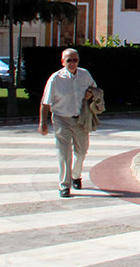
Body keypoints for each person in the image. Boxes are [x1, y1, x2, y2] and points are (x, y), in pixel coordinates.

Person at [39, 48, 98, 198]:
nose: (72, 63)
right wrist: (43, 123)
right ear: (62, 62)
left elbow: (95, 89)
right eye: (69, 60)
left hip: (80, 119)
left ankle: (76, 175)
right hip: (61, 119)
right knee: (64, 154)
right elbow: (45, 103)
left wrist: (91, 94)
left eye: (75, 60)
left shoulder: (85, 75)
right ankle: (64, 186)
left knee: (82, 152)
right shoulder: (55, 79)